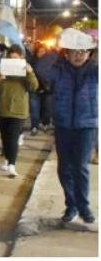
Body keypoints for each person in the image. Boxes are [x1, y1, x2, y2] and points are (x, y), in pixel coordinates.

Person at [46, 28, 97, 223]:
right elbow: (43, 69)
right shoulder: (59, 69)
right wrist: (57, 49)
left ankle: (84, 207)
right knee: (64, 168)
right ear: (67, 53)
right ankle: (71, 205)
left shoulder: (94, 70)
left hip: (87, 125)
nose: (78, 55)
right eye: (74, 51)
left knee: (80, 167)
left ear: (89, 53)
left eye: (83, 51)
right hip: (63, 124)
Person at [0, 45, 38, 178]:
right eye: (11, 58)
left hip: (19, 109)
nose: (13, 61)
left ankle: (12, 164)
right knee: (5, 137)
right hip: (2, 108)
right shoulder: (0, 69)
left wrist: (29, 73)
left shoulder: (26, 70)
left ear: (22, 58)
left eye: (16, 58)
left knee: (13, 137)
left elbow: (34, 87)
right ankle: (7, 158)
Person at [28, 43, 56, 135]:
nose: (42, 53)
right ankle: (34, 126)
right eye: (39, 51)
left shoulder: (51, 62)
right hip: (35, 90)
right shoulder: (31, 61)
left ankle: (45, 124)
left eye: (44, 51)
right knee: (34, 110)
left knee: (47, 109)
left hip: (48, 90)